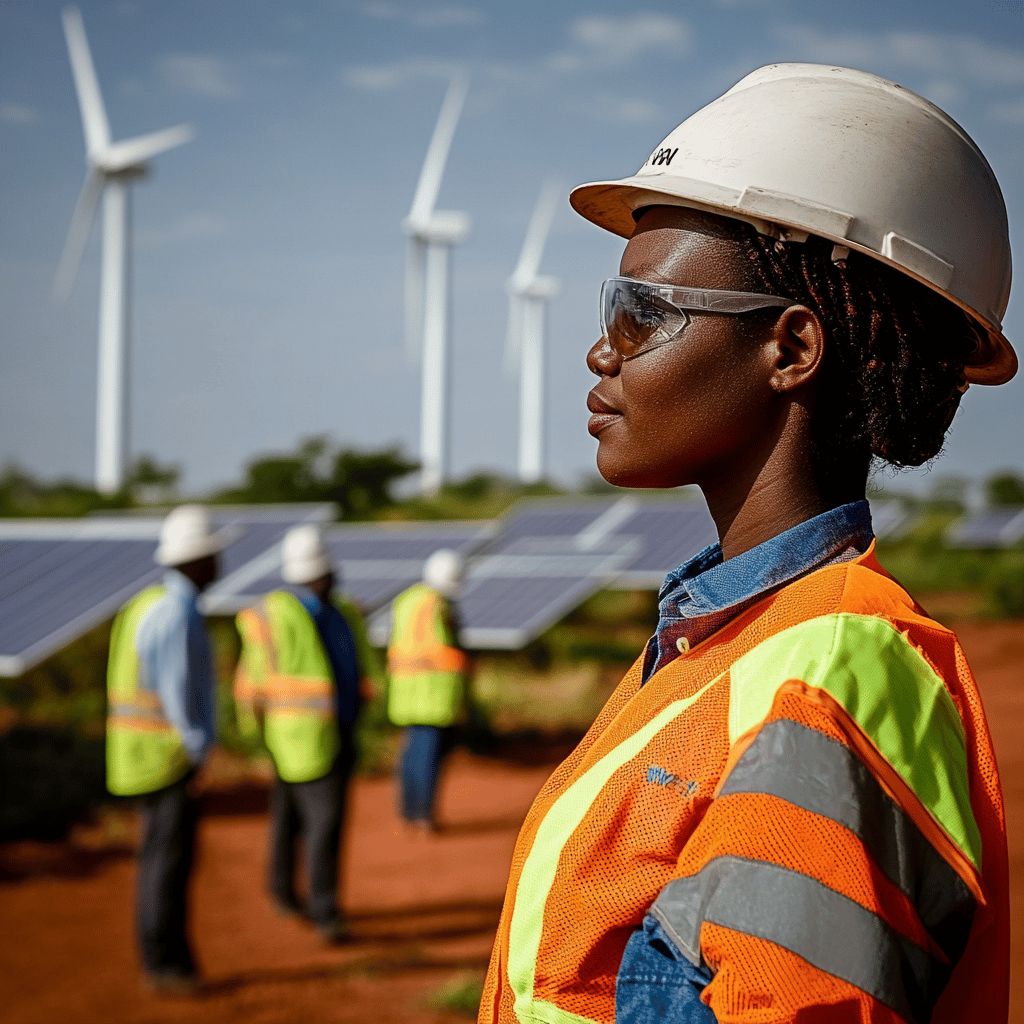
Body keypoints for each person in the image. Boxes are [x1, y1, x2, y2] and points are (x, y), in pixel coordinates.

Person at [479, 64, 1012, 1023]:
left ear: (792, 350)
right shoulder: (725, 642)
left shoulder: (832, 668)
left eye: (642, 313)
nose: (604, 351)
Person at [234, 524, 377, 942]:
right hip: (305, 737)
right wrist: (254, 733)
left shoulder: (342, 611)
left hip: (327, 733)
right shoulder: (277, 614)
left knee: (292, 818)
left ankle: (282, 892)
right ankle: (324, 912)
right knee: (322, 824)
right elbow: (253, 681)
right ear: (319, 572)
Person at [106, 504, 226, 993]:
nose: (219, 565)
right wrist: (198, 752)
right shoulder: (177, 612)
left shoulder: (144, 603)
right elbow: (178, 694)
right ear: (196, 561)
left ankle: (165, 960)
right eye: (212, 556)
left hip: (137, 754)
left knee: (159, 861)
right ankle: (165, 965)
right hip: (165, 759)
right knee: (166, 866)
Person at [387, 548, 469, 833]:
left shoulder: (406, 600)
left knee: (411, 755)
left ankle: (408, 813)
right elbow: (449, 649)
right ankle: (423, 816)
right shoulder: (439, 605)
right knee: (427, 758)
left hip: (405, 692)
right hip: (433, 695)